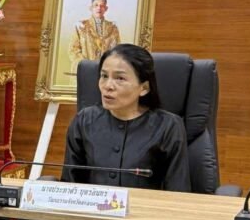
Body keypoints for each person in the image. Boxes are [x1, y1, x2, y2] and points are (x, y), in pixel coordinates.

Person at [63, 43, 191, 192]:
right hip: (93, 206)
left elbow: (178, 191)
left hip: (146, 206)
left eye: (120, 78)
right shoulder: (84, 121)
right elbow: (69, 185)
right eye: (104, 76)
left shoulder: (168, 126)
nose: (108, 86)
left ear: (144, 88)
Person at [69, 0, 120, 70]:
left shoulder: (113, 28)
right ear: (91, 8)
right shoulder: (80, 26)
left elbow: (117, 51)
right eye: (96, 5)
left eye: (102, 6)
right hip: (85, 70)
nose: (99, 8)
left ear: (106, 8)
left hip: (105, 70)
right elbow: (73, 50)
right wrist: (87, 65)